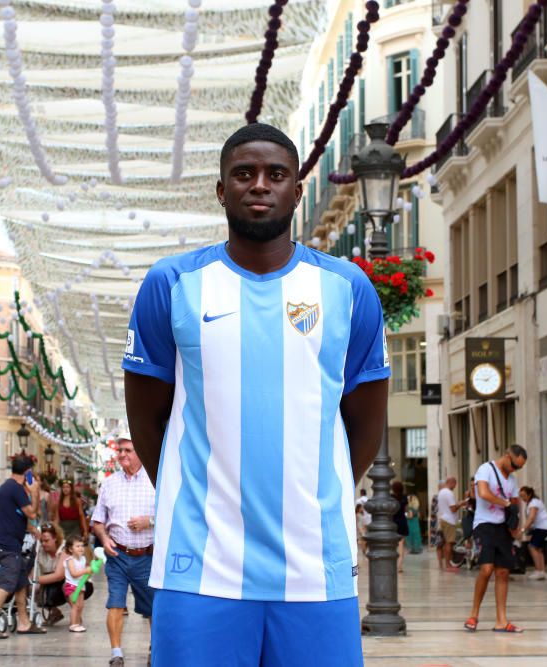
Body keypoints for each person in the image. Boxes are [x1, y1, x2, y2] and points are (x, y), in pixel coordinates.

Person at [123, 123, 390, 666]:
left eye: (276, 174)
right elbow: (147, 421)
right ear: (221, 190)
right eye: (243, 174)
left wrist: (312, 492)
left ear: (297, 189)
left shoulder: (347, 288)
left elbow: (365, 424)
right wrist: (195, 492)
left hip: (316, 566)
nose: (259, 185)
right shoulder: (171, 284)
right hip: (199, 566)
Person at [90, 433, 157, 667]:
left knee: (152, 608)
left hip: (147, 556)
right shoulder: (109, 483)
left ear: (140, 451)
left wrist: (149, 522)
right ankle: (116, 653)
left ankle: (154, 647)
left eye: (128, 450)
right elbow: (98, 521)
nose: (122, 455)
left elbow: (172, 515)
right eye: (120, 451)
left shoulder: (155, 479)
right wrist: (104, 538)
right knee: (115, 602)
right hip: (117, 555)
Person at [465, 444, 528, 634]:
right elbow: (483, 493)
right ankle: (474, 615)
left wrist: (516, 526)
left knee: (503, 572)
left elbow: (516, 505)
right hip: (484, 524)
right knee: (486, 568)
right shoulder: (486, 469)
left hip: (502, 527)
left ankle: (502, 620)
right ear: (507, 456)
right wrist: (505, 502)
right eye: (515, 466)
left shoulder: (512, 480)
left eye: (519, 468)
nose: (516, 470)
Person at [0, 455, 40, 638]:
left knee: (21, 582)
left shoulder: (7, 487)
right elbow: (31, 513)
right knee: (7, 584)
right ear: (28, 472)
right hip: (7, 544)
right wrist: (35, 491)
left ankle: (24, 622)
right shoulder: (16, 489)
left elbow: (10, 514)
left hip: (7, 542)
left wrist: (30, 529)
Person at [519, 486, 547, 580]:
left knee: (532, 547)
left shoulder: (533, 503)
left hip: (543, 527)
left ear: (529, 494)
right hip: (542, 527)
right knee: (537, 548)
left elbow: (531, 518)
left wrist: (522, 530)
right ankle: (542, 571)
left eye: (524, 496)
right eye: (521, 496)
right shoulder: (533, 502)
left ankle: (539, 571)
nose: (522, 498)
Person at [37, 523, 68, 626]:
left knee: (68, 587)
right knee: (32, 589)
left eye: (46, 541)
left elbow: (59, 575)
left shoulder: (65, 548)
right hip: (51, 581)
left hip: (72, 580)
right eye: (41, 541)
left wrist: (35, 580)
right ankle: (54, 612)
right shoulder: (39, 550)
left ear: (55, 538)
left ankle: (77, 617)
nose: (43, 544)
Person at [62, 535, 89, 633]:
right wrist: (86, 570)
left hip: (81, 585)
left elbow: (85, 572)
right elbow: (74, 574)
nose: (81, 548)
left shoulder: (83, 559)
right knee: (75, 605)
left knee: (81, 605)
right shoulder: (70, 561)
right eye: (77, 546)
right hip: (71, 586)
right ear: (70, 549)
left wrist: (89, 570)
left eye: (82, 546)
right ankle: (73, 624)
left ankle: (77, 623)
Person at [51, 478, 88, 542]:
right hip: (62, 528)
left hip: (75, 528)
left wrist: (85, 531)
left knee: (75, 546)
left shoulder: (77, 501)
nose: (65, 489)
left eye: (67, 487)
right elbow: (57, 519)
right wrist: (52, 530)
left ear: (71, 489)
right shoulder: (58, 502)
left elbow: (81, 516)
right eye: (63, 487)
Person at [437, 477, 461, 572]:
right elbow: (453, 509)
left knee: (444, 543)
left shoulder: (441, 492)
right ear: (451, 483)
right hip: (449, 520)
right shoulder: (449, 493)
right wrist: (460, 504)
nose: (455, 486)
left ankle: (446, 564)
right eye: (455, 484)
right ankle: (448, 565)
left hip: (443, 518)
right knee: (449, 543)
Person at [391, 481, 409, 573]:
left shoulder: (390, 497)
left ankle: (393, 565)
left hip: (393, 522)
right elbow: (405, 509)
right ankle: (399, 566)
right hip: (402, 522)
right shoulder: (404, 497)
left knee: (393, 545)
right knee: (401, 545)